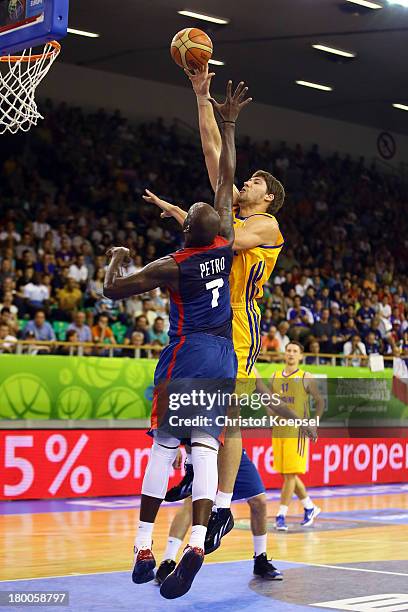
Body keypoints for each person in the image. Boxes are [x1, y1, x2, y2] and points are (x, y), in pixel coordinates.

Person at [103, 81, 250, 599]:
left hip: (185, 354)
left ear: (186, 230)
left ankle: (143, 548)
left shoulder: (173, 264)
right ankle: (194, 545)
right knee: (206, 451)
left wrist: (117, 256)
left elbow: (113, 290)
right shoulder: (226, 244)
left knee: (164, 451)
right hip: (223, 357)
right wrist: (228, 123)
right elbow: (227, 178)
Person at [145, 64, 286, 553]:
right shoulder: (232, 214)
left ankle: (223, 505)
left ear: (268, 197)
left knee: (230, 420)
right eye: (242, 181)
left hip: (240, 328)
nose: (242, 184)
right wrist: (201, 95)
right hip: (209, 326)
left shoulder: (266, 225)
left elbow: (225, 243)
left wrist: (190, 219)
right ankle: (201, 488)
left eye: (252, 183)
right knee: (196, 420)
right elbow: (212, 151)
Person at [156, 447, 283, 585]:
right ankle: (168, 561)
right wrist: (176, 445)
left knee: (259, 501)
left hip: (230, 451)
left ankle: (260, 559)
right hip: (206, 448)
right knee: (191, 503)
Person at [270, 341, 324, 531]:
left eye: (295, 351)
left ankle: (281, 515)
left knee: (291, 475)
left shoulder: (305, 376)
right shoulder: (275, 376)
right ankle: (310, 507)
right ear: (284, 354)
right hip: (279, 430)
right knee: (286, 474)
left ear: (300, 356)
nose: (291, 354)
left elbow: (319, 401)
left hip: (297, 431)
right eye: (288, 350)